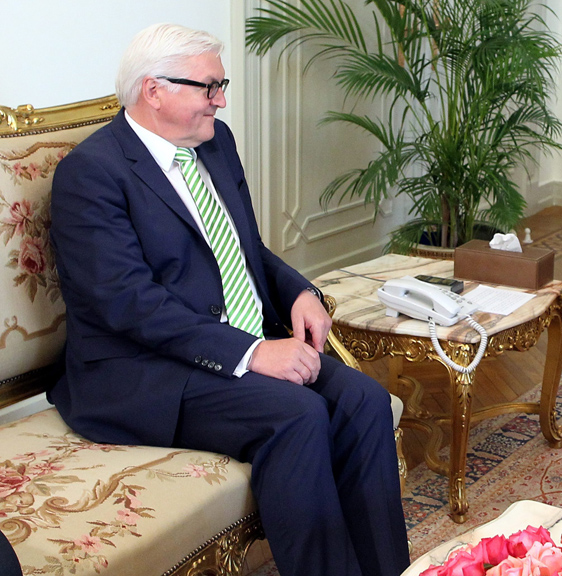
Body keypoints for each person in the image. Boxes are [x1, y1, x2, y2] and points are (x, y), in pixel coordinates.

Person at [48, 24, 409, 576]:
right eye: (208, 87)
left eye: (222, 85)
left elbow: (245, 249)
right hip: (143, 371)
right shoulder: (91, 174)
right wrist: (252, 353)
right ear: (154, 90)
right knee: (296, 414)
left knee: (363, 401)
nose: (220, 99)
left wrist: (300, 292)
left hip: (225, 343)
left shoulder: (214, 144)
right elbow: (129, 304)